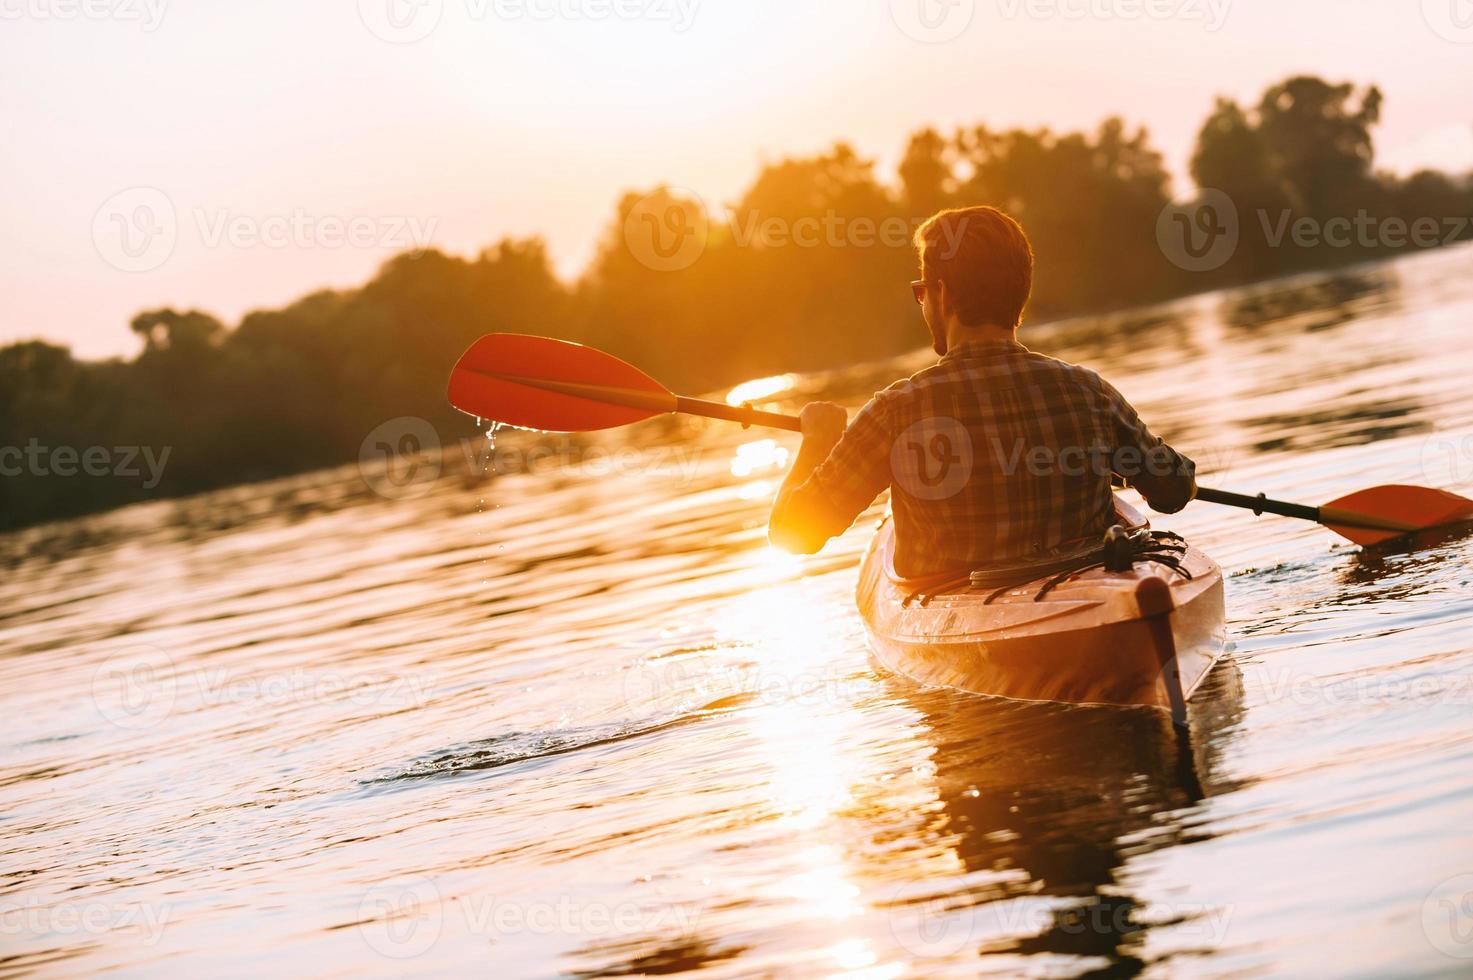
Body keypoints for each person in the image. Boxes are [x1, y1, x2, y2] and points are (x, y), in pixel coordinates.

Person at [768, 205, 1197, 578]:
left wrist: (816, 443)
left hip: (965, 615)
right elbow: (1174, 488)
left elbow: (792, 534)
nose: (924, 305)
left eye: (923, 293)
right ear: (1019, 293)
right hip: (1088, 591)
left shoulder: (895, 411)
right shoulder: (1087, 391)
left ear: (943, 293)